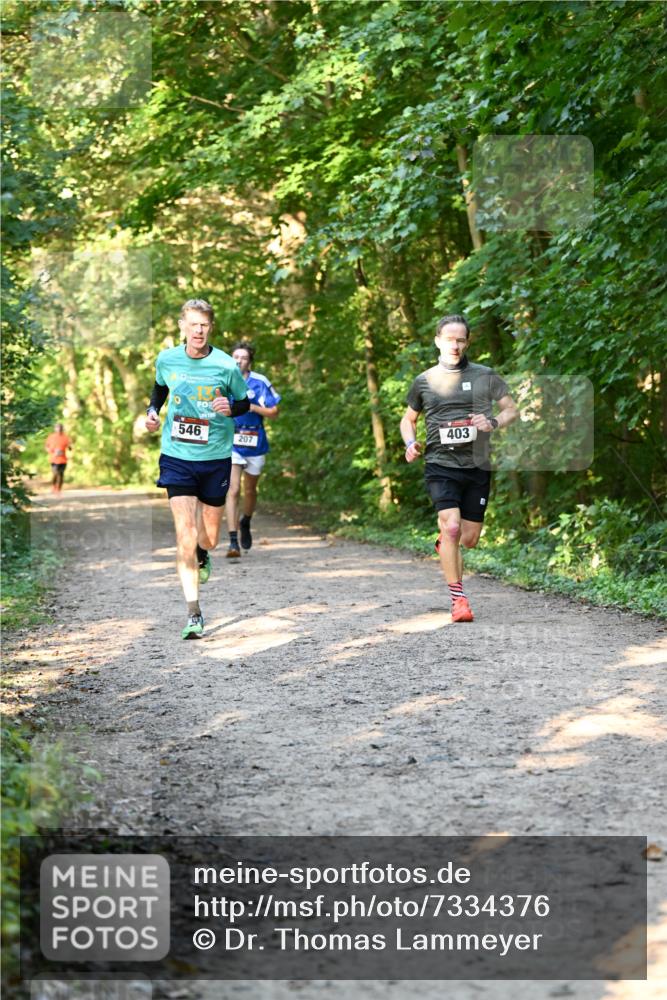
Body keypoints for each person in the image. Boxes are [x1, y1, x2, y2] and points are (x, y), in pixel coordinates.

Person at [400, 314, 518, 622]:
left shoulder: (484, 375)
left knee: (468, 538)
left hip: (478, 465)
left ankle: (445, 543)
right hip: (441, 464)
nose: (455, 345)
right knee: (450, 526)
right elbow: (407, 420)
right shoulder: (424, 381)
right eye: (449, 339)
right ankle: (458, 600)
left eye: (461, 339)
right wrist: (410, 443)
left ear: (467, 342)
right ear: (438, 340)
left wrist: (492, 422)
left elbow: (511, 409)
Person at [145, 299, 249, 639]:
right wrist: (152, 411)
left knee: (209, 538)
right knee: (184, 535)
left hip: (215, 457)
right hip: (176, 456)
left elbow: (244, 401)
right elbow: (160, 386)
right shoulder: (167, 359)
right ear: (182, 327)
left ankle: (204, 554)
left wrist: (230, 408)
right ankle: (193, 613)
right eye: (192, 324)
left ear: (211, 328)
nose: (198, 330)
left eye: (204, 324)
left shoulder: (225, 365)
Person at [224, 341, 281, 557]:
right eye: (235, 356)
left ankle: (246, 521)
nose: (239, 360)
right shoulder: (224, 379)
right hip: (232, 442)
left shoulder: (260, 382)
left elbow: (274, 411)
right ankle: (232, 541)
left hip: (255, 440)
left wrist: (253, 407)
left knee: (249, 491)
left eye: (243, 357)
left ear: (250, 362)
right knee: (233, 490)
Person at [45, 423, 72, 493]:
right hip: (54, 459)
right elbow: (46, 446)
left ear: (62, 429)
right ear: (55, 429)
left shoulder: (65, 437)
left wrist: (70, 447)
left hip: (63, 460)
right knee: (55, 473)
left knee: (61, 474)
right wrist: (51, 451)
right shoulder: (51, 437)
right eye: (57, 428)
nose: (59, 429)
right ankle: (54, 486)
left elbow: (70, 447)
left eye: (60, 428)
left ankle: (58, 489)